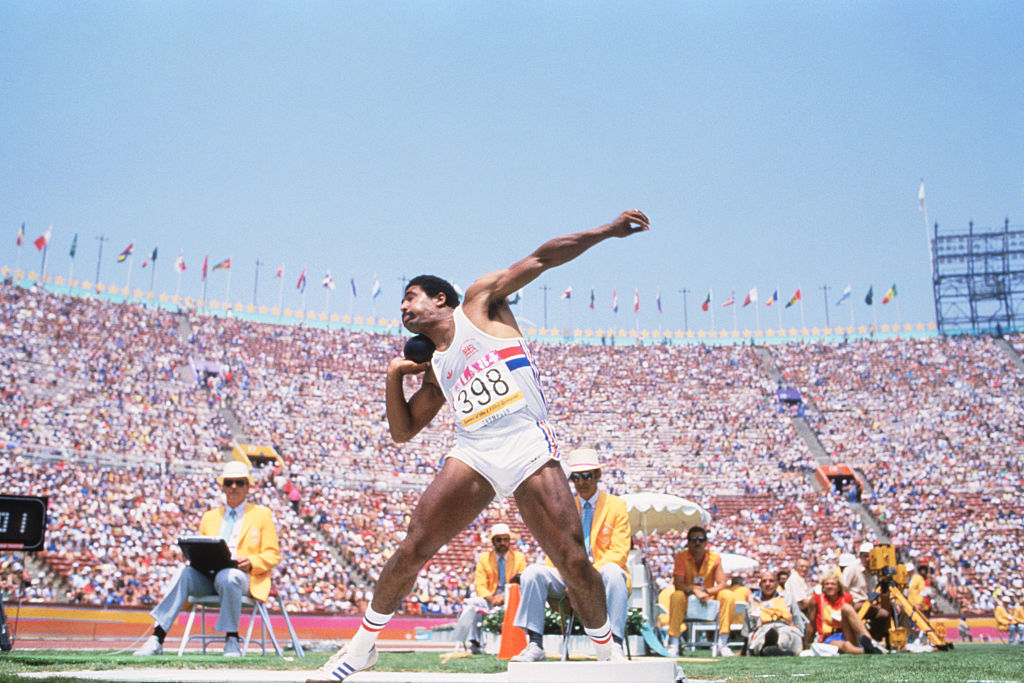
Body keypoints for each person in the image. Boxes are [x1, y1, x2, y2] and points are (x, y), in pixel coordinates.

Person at [311, 210, 649, 681]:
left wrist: (606, 232)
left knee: (572, 558)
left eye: (411, 297)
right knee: (413, 547)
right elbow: (404, 430)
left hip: (527, 440)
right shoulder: (437, 369)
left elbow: (543, 258)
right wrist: (393, 376)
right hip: (475, 449)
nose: (403, 308)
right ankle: (362, 647)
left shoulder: (479, 305)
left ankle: (607, 655)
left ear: (440, 299)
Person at [133, 461, 281, 657]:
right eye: (229, 483)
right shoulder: (210, 517)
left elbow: (273, 554)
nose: (234, 487)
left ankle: (232, 638)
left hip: (243, 577)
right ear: (223, 487)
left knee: (228, 576)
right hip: (210, 576)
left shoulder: (262, 515)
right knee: (184, 573)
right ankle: (157, 637)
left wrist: (252, 562)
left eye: (239, 482)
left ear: (248, 486)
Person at [511, 448, 631, 661]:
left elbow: (619, 552)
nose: (581, 482)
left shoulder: (616, 506)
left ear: (597, 475)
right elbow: (555, 549)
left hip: (601, 573)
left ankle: (616, 644)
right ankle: (535, 644)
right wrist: (571, 577)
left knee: (614, 570)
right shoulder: (564, 507)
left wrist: (583, 577)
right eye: (575, 477)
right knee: (532, 573)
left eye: (586, 475)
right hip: (567, 573)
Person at [452, 523, 526, 654]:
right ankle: (474, 642)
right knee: (474, 603)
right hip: (490, 599)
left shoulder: (519, 558)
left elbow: (521, 581)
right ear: (493, 541)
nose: (502, 543)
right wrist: (492, 598)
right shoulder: (484, 558)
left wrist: (504, 596)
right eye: (499, 540)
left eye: (505, 539)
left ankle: (522, 642)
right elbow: (479, 584)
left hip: (511, 598)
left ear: (510, 541)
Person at [666, 526, 736, 656]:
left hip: (708, 597)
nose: (697, 543)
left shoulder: (715, 558)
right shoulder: (681, 557)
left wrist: (706, 592)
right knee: (676, 595)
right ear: (688, 542)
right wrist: (694, 589)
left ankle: (723, 643)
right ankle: (674, 644)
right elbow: (678, 585)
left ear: (705, 542)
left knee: (728, 595)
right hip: (687, 598)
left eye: (700, 539)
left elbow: (722, 584)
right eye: (693, 539)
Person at [804, 575, 885, 655]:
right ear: (823, 587)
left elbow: (852, 620)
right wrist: (808, 643)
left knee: (846, 607)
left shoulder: (847, 598)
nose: (829, 586)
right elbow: (812, 623)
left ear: (839, 587)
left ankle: (871, 641)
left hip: (845, 632)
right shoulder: (816, 599)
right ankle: (865, 651)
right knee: (845, 645)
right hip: (828, 638)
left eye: (833, 584)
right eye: (827, 584)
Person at [743, 572, 802, 656]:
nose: (767, 584)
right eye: (764, 581)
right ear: (760, 585)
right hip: (762, 628)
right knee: (760, 639)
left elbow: (797, 621)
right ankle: (771, 648)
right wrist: (743, 651)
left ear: (777, 583)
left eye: (771, 581)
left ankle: (774, 648)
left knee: (785, 635)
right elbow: (747, 630)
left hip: (784, 626)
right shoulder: (752, 601)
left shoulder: (787, 597)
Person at [841, 542, 889, 643]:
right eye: (865, 556)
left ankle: (874, 640)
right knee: (873, 610)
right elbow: (843, 588)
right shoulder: (852, 569)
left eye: (870, 556)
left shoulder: (874, 572)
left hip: (869, 604)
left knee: (884, 614)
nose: (868, 559)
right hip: (855, 603)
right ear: (860, 556)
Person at [783, 557, 813, 633]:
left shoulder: (803, 580)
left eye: (807, 567)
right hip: (797, 615)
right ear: (796, 567)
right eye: (802, 566)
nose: (804, 569)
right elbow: (803, 601)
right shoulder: (794, 579)